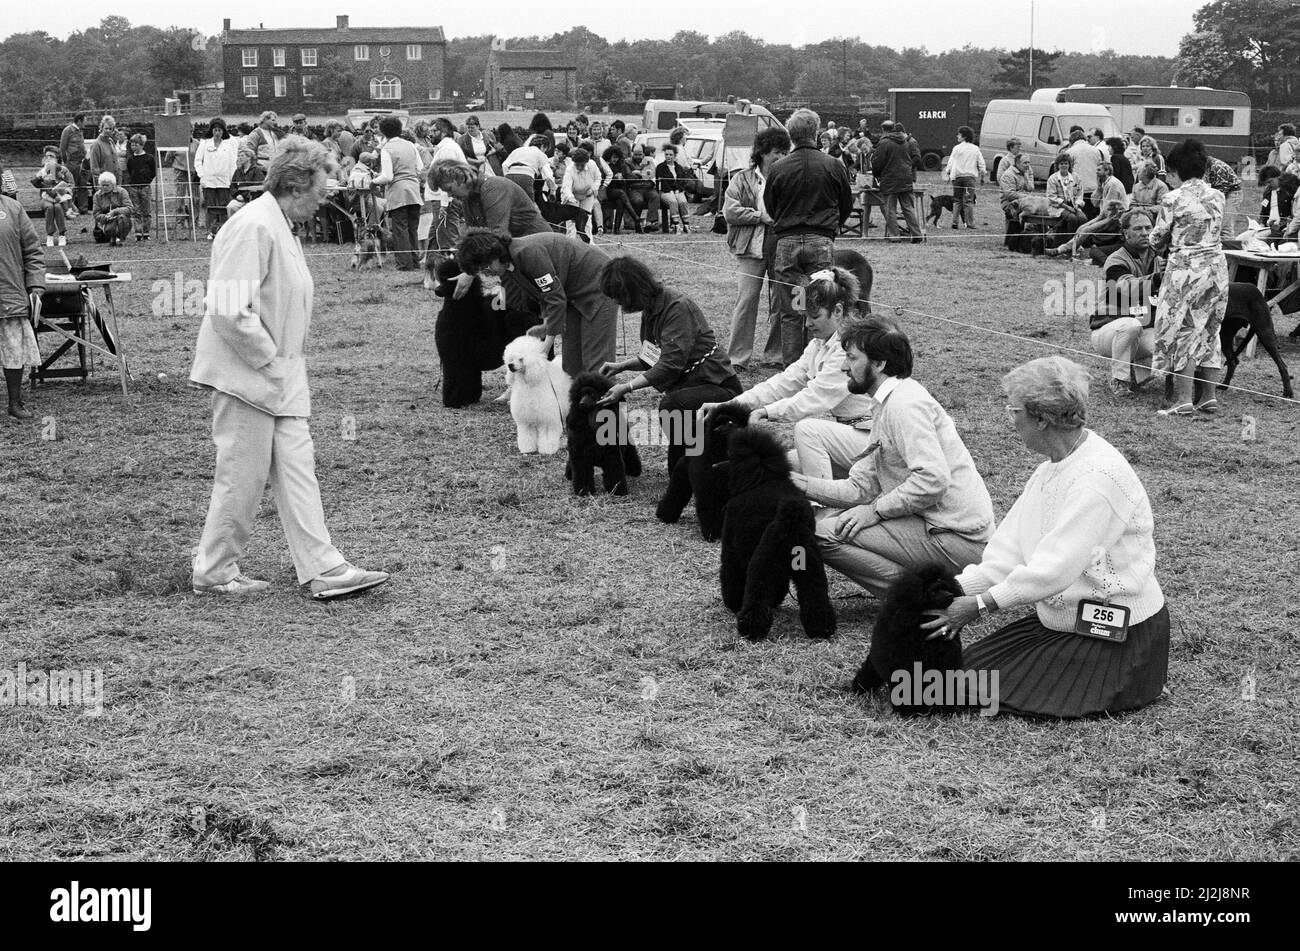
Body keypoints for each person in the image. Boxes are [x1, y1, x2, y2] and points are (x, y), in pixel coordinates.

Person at [189, 137, 389, 600]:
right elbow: (226, 308)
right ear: (297, 186)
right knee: (242, 475)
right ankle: (215, 571)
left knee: (299, 472)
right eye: (320, 191)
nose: (324, 201)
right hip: (248, 377)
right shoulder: (253, 226)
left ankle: (324, 567)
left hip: (282, 379)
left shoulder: (278, 225)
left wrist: (282, 367)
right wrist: (268, 359)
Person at [922, 356, 1170, 720]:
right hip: (1061, 622)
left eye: (1014, 410)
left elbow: (1054, 569)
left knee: (949, 691)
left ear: (1042, 418)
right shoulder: (1050, 469)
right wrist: (953, 592)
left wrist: (980, 606)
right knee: (950, 678)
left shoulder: (1097, 478)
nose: (1011, 420)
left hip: (1117, 633)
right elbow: (1008, 550)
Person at [801, 320, 994, 598]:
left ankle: (918, 598)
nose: (845, 367)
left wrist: (874, 511)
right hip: (937, 527)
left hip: (957, 538)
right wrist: (797, 483)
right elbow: (859, 488)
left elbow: (932, 480)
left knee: (824, 535)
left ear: (878, 364)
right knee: (824, 528)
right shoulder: (887, 401)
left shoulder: (905, 406)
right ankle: (923, 590)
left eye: (852, 358)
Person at [701, 267, 874, 480]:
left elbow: (815, 397)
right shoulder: (819, 345)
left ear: (838, 311)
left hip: (871, 441)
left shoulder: (847, 349)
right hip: (850, 437)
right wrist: (731, 405)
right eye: (804, 316)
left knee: (808, 430)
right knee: (781, 464)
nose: (808, 323)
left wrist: (766, 412)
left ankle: (823, 508)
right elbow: (784, 382)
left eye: (814, 316)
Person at [595, 257, 743, 472]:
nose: (619, 304)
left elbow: (670, 364)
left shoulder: (676, 307)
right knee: (676, 413)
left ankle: (699, 465)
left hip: (721, 389)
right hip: (693, 387)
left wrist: (626, 387)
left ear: (634, 289)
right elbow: (653, 356)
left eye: (620, 297)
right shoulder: (651, 308)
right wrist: (622, 366)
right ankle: (691, 466)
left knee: (673, 406)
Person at [455, 229, 618, 377]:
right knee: (572, 363)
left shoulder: (527, 253)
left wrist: (547, 344)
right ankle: (579, 407)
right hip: (572, 295)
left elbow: (554, 295)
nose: (487, 272)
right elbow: (543, 294)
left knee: (597, 359)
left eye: (486, 266)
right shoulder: (511, 265)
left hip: (600, 284)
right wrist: (546, 323)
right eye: (482, 271)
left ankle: (609, 408)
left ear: (494, 253)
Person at [766, 108, 855, 365]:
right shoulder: (834, 165)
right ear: (816, 133)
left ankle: (793, 368)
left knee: (792, 309)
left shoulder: (779, 167)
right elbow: (845, 203)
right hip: (820, 241)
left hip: (787, 242)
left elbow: (771, 205)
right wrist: (830, 227)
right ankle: (818, 364)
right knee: (819, 306)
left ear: (791, 136)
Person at [1150, 139, 1228, 417]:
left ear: (1175, 172)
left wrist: (1156, 239)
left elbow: (1158, 238)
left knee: (1183, 329)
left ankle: (1183, 398)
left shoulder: (1172, 198)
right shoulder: (1218, 196)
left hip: (1186, 271)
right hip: (1217, 270)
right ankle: (1208, 397)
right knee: (1210, 330)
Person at [724, 126, 792, 370]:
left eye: (785, 152)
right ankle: (737, 358)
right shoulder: (741, 178)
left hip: (781, 243)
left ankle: (775, 355)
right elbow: (730, 211)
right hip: (749, 245)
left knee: (781, 300)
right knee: (747, 300)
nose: (781, 157)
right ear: (762, 153)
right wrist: (759, 216)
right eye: (776, 151)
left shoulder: (788, 176)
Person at [1091, 209, 1160, 396]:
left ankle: (1140, 375)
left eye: (1148, 227)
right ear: (1125, 233)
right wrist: (1157, 279)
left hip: (1144, 328)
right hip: (1109, 329)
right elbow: (1125, 286)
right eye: (1138, 228)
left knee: (1167, 340)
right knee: (1131, 325)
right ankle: (1119, 380)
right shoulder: (1116, 259)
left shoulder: (1158, 256)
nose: (1145, 233)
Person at [0, 187, 43, 419]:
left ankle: (15, 403)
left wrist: (35, 284)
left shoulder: (12, 208)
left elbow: (32, 250)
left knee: (13, 350)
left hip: (9, 293)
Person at [372, 116, 425, 271]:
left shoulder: (387, 149)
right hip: (414, 190)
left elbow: (388, 176)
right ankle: (414, 261)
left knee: (400, 229)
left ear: (383, 132)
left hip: (398, 192)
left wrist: (374, 181)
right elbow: (419, 168)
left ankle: (404, 263)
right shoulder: (410, 145)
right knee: (412, 229)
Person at [1047, 160, 1128, 260]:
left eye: (1099, 170)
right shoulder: (1104, 183)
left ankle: (1062, 250)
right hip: (1105, 216)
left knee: (1086, 230)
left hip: (1114, 219)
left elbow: (1109, 211)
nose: (1096, 172)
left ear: (1107, 171)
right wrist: (1099, 188)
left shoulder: (1113, 184)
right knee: (1081, 228)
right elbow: (1094, 203)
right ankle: (1069, 250)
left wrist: (1097, 219)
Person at [871, 119, 923, 244]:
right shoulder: (905, 141)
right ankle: (916, 234)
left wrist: (876, 175)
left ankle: (895, 236)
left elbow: (878, 162)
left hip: (890, 179)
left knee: (890, 209)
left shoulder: (884, 143)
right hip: (906, 177)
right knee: (908, 208)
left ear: (883, 130)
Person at [195, 117, 238, 239]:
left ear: (223, 132)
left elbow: (232, 163)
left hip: (224, 181)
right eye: (215, 130)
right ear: (212, 131)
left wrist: (232, 180)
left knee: (224, 206)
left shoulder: (228, 145)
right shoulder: (205, 143)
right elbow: (198, 161)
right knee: (210, 207)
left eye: (220, 130)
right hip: (209, 181)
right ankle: (211, 231)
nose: (217, 133)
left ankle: (224, 230)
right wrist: (202, 176)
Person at [944, 126, 986, 230]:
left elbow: (951, 162)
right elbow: (981, 163)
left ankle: (954, 223)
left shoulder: (956, 148)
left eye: (959, 134)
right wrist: (982, 174)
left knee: (957, 200)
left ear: (964, 136)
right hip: (969, 178)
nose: (957, 136)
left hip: (957, 178)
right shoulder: (975, 149)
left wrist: (948, 172)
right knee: (968, 201)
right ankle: (970, 224)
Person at [30, 148, 74, 247]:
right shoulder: (43, 170)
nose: (48, 158)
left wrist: (63, 189)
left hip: (61, 198)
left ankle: (62, 235)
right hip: (45, 198)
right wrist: (43, 174)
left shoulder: (63, 170)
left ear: (57, 158)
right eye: (47, 156)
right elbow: (36, 184)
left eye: (51, 156)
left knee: (58, 207)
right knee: (50, 207)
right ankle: (50, 235)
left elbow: (71, 185)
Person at [502, 134, 555, 205]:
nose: (544, 152)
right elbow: (548, 175)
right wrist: (552, 190)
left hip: (509, 176)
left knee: (510, 205)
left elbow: (504, 165)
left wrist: (508, 177)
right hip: (526, 177)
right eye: (545, 150)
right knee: (529, 206)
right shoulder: (540, 154)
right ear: (543, 146)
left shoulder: (517, 150)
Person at [122, 134, 156, 242]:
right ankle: (138, 232)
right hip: (133, 187)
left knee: (146, 210)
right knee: (136, 210)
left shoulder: (149, 158)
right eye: (132, 145)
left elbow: (153, 172)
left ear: (141, 145)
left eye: (136, 144)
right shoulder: (131, 159)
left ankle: (146, 232)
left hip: (145, 187)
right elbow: (129, 171)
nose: (133, 147)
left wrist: (147, 180)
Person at [655, 144, 695, 234]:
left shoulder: (679, 167)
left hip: (678, 191)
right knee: (673, 201)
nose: (668, 156)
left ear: (675, 156)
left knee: (683, 201)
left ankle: (686, 224)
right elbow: (662, 182)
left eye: (670, 155)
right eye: (666, 154)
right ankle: (675, 224)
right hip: (665, 192)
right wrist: (671, 191)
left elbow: (682, 182)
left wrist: (678, 191)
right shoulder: (660, 167)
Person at [1045, 153, 1086, 239]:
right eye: (1062, 164)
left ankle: (1079, 242)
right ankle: (1069, 243)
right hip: (1058, 207)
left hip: (1073, 205)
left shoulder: (1076, 177)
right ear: (1058, 165)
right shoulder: (1053, 178)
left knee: (1083, 218)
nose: (1064, 166)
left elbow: (1079, 193)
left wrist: (1077, 205)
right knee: (1072, 219)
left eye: (1066, 163)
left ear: (1069, 165)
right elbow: (1052, 197)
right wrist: (1067, 207)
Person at [1064, 127, 1102, 217]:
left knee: (1079, 216)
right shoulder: (1096, 150)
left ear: (1071, 141)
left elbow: (1067, 172)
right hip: (1094, 189)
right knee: (1092, 216)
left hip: (1078, 189)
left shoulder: (1070, 152)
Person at [91, 172, 133, 245]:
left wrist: (115, 211)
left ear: (113, 184)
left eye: (107, 185)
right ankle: (111, 237)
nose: (104, 187)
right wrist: (106, 217)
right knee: (107, 231)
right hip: (106, 220)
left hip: (122, 218)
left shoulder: (122, 192)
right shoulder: (97, 195)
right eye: (102, 185)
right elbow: (96, 214)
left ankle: (121, 238)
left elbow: (130, 208)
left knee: (121, 218)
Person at [60, 113, 90, 215]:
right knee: (71, 186)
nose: (86, 123)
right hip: (71, 164)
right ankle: (69, 209)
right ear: (79, 121)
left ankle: (83, 209)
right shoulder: (67, 130)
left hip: (81, 163)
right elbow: (62, 148)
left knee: (83, 185)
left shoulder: (80, 131)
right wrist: (66, 162)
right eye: (85, 121)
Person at [226, 147, 265, 219]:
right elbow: (233, 186)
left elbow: (258, 187)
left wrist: (244, 196)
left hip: (253, 199)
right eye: (239, 156)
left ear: (249, 158)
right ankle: (234, 228)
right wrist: (237, 194)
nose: (239, 158)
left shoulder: (257, 170)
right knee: (230, 207)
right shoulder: (237, 171)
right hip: (239, 198)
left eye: (242, 156)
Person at [88, 115, 119, 185]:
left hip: (113, 181)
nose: (108, 130)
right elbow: (94, 168)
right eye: (106, 128)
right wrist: (99, 186)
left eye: (110, 129)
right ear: (101, 128)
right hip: (103, 183)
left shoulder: (111, 141)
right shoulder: (96, 144)